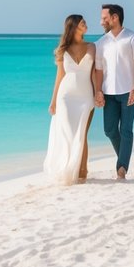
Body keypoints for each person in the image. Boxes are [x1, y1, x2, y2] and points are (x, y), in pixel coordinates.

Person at [94, 3, 134, 180]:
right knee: (109, 130)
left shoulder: (133, 38)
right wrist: (98, 91)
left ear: (114, 17)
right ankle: (123, 156)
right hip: (108, 93)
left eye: (104, 18)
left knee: (126, 130)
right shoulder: (101, 43)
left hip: (128, 91)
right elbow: (99, 69)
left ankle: (121, 168)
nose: (101, 22)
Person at [44, 14, 96, 185]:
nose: (86, 25)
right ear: (73, 27)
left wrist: (98, 93)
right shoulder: (63, 50)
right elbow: (59, 76)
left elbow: (94, 73)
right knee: (67, 132)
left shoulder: (92, 47)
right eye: (83, 23)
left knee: (81, 133)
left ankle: (82, 171)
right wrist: (53, 101)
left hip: (86, 96)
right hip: (65, 97)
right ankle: (65, 167)